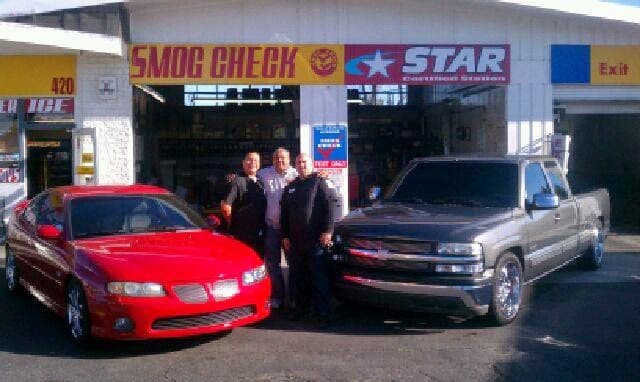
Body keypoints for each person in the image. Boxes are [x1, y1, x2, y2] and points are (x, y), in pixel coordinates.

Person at [280, 153, 336, 326]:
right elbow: (284, 215)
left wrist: (328, 231)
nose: (301, 165)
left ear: (311, 164)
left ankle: (322, 313)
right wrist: (285, 236)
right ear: (295, 166)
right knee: (299, 278)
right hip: (295, 242)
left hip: (316, 241)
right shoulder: (290, 186)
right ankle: (300, 310)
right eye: (298, 162)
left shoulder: (320, 181)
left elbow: (331, 205)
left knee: (319, 278)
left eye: (304, 162)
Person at [257, 147, 297, 309]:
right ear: (272, 160)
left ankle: (295, 298)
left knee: (294, 264)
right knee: (272, 265)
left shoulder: (297, 174)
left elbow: (316, 180)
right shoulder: (263, 174)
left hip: (292, 230)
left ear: (289, 159)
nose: (279, 160)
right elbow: (250, 178)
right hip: (272, 228)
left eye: (283, 158)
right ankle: (277, 297)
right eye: (276, 158)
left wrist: (325, 175)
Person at [221, 152, 266, 255]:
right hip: (242, 235)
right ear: (243, 163)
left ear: (259, 165)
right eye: (249, 160)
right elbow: (225, 206)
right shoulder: (237, 181)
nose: (252, 163)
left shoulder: (260, 182)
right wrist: (233, 223)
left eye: (256, 160)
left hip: (259, 234)